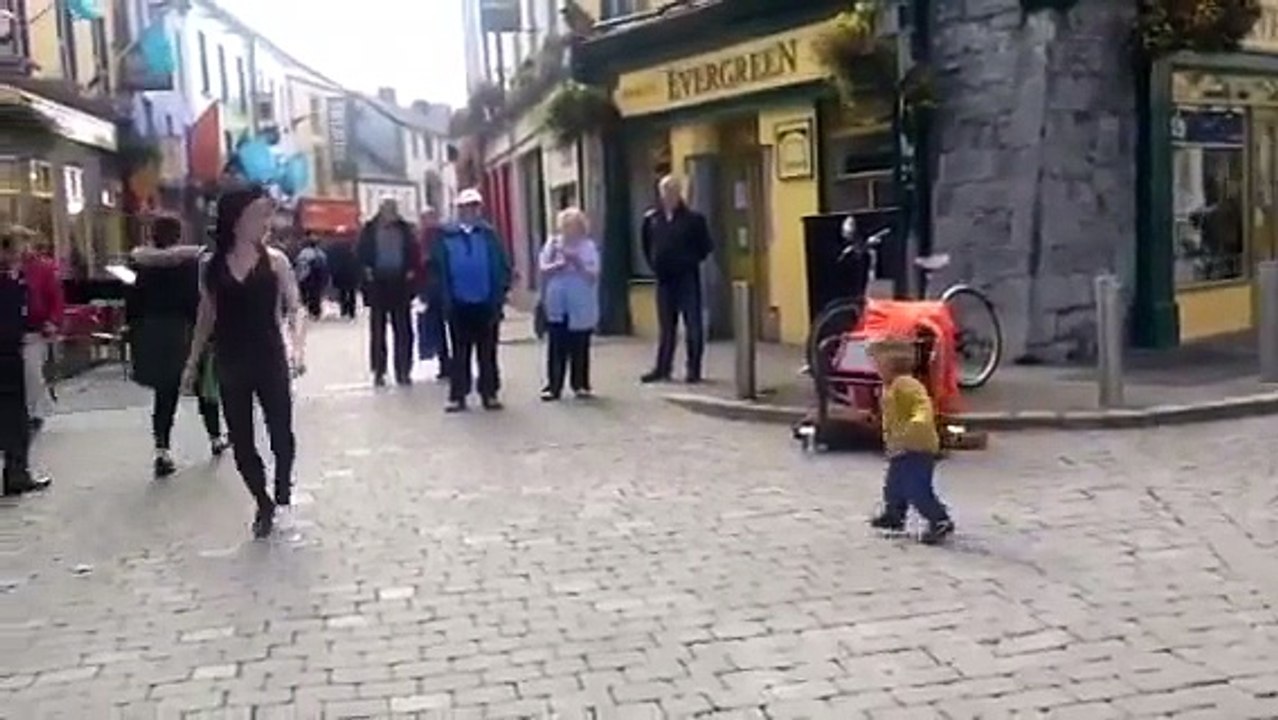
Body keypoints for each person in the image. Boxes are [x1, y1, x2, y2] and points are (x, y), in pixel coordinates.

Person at [183, 186, 306, 539]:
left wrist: (298, 349)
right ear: (236, 220)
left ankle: (283, 489)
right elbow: (206, 314)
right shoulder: (211, 266)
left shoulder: (276, 262)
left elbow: (295, 307)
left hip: (269, 356)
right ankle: (262, 501)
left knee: (281, 432)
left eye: (266, 215)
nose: (265, 223)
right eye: (257, 215)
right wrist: (192, 361)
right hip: (231, 358)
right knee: (241, 440)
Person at [129, 217, 228, 478]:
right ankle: (216, 437)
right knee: (204, 386)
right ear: (179, 235)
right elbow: (200, 297)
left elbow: (133, 301)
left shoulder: (140, 264)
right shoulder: (192, 262)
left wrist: (135, 330)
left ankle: (162, 450)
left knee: (164, 393)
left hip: (155, 331)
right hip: (187, 329)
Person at [865, 338, 955, 545]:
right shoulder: (890, 387)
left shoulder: (906, 384)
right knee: (894, 485)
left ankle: (939, 519)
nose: (876, 369)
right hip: (900, 446)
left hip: (917, 445)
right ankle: (894, 515)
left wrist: (918, 420)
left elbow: (922, 405)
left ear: (891, 365)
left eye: (878, 364)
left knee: (917, 488)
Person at [433, 188, 511, 413]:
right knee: (460, 352)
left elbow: (502, 263)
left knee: (487, 352)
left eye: (475, 206)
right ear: (459, 210)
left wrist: (501, 290)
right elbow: (437, 267)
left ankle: (489, 393)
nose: (471, 211)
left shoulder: (489, 235)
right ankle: (458, 395)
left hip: (487, 302)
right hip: (458, 302)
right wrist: (442, 295)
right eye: (466, 207)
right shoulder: (446, 236)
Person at [640, 175, 713, 385]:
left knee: (693, 325)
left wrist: (689, 260)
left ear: (679, 193)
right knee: (666, 327)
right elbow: (646, 245)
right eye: (665, 191)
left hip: (687, 277)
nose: (668, 195)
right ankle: (663, 368)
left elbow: (705, 246)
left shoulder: (694, 219)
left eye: (673, 191)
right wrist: (654, 264)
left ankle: (693, 369)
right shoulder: (652, 219)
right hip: (664, 279)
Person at [0, 229, 51, 496]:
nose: (25, 253)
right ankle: (16, 473)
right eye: (21, 247)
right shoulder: (7, 280)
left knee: (16, 414)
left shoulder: (15, 277)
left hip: (12, 348)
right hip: (6, 351)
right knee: (14, 415)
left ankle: (17, 470)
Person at [538, 208, 599, 401]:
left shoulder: (588, 247)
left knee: (580, 344)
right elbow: (543, 269)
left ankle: (580, 384)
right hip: (557, 301)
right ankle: (553, 386)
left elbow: (593, 275)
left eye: (574, 226)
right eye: (566, 226)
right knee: (556, 344)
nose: (570, 230)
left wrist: (578, 263)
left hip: (580, 301)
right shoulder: (553, 244)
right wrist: (558, 265)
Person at [357, 199, 420, 386]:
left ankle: (404, 370)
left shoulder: (405, 230)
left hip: (400, 284)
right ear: (380, 211)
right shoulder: (370, 229)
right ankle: (379, 371)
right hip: (378, 284)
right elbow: (360, 253)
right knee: (378, 332)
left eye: (393, 209)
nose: (390, 213)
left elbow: (414, 252)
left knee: (403, 331)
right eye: (387, 209)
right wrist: (366, 271)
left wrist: (411, 271)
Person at [19, 231, 63, 432]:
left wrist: (53, 321)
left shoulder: (43, 269)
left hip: (35, 329)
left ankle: (35, 413)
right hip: (11, 329)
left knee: (32, 372)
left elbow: (55, 297)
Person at [417, 207, 450, 381]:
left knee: (438, 328)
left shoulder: (427, 237)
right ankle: (447, 362)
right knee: (443, 327)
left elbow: (422, 262)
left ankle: (445, 363)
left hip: (435, 288)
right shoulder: (445, 234)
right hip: (441, 288)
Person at [295, 233, 329, 320]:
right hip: (318, 277)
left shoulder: (303, 253)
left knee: (309, 294)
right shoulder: (321, 253)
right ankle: (316, 311)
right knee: (316, 295)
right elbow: (325, 266)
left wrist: (299, 277)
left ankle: (311, 310)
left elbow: (299, 265)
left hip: (308, 277)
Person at [326, 237, 360, 320]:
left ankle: (344, 310)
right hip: (351, 277)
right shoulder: (354, 255)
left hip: (342, 277)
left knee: (343, 293)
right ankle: (351, 311)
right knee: (351, 294)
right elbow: (358, 266)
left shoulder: (338, 255)